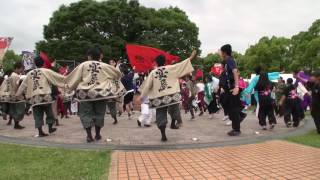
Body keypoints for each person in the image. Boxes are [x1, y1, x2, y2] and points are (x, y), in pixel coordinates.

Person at [65, 46, 125, 143]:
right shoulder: (105, 66)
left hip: (85, 93)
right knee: (100, 113)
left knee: (85, 114)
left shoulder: (83, 65)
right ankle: (97, 134)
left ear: (89, 56)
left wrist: (69, 88)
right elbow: (118, 74)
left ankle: (89, 135)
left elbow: (74, 78)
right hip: (101, 93)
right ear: (100, 55)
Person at [140, 50, 197, 142]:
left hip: (159, 98)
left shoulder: (153, 73)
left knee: (160, 116)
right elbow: (182, 65)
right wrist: (191, 57)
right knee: (174, 110)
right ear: (165, 62)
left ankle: (163, 135)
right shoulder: (171, 68)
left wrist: (142, 96)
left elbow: (147, 86)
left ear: (156, 63)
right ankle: (179, 121)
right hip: (172, 96)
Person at [16, 56, 66, 137]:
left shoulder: (29, 73)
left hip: (34, 98)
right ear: (43, 63)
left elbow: (23, 85)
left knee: (37, 115)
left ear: (35, 63)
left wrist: (17, 94)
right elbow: (57, 77)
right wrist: (68, 80)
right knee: (49, 113)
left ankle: (40, 132)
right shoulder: (46, 71)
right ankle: (50, 128)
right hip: (45, 96)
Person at [219, 44, 243, 136]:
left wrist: (237, 86)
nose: (220, 53)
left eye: (221, 52)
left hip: (232, 88)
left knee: (233, 109)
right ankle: (240, 115)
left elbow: (235, 72)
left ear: (224, 52)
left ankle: (236, 129)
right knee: (224, 101)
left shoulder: (230, 60)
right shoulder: (226, 61)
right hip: (228, 89)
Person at [8, 62, 26, 129]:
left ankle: (16, 124)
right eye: (21, 69)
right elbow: (16, 87)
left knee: (15, 111)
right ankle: (16, 124)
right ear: (17, 68)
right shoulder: (16, 76)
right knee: (20, 110)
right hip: (17, 96)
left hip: (12, 95)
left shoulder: (12, 75)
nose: (22, 70)